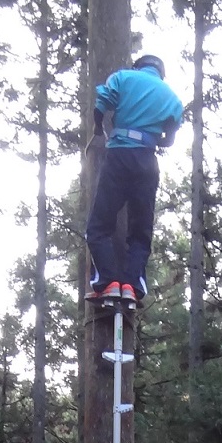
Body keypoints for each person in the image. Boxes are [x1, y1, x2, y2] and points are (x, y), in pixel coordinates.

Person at [84, 53, 183, 309]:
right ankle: (130, 285)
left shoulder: (123, 78)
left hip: (118, 156)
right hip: (147, 162)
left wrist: (98, 128)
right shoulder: (171, 97)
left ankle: (108, 282)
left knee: (98, 226)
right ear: (160, 73)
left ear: (138, 67)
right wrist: (153, 137)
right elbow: (170, 137)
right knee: (140, 231)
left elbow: (101, 104)